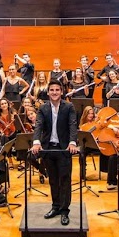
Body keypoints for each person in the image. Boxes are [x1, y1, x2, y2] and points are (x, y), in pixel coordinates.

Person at [30, 81, 79, 226]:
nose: (55, 92)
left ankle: (64, 211)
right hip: (48, 149)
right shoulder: (43, 108)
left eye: (57, 90)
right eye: (52, 90)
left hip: (64, 149)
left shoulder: (69, 106)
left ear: (61, 92)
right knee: (53, 180)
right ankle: (55, 206)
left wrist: (72, 142)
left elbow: (72, 125)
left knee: (64, 180)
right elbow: (38, 125)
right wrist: (36, 141)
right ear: (48, 92)